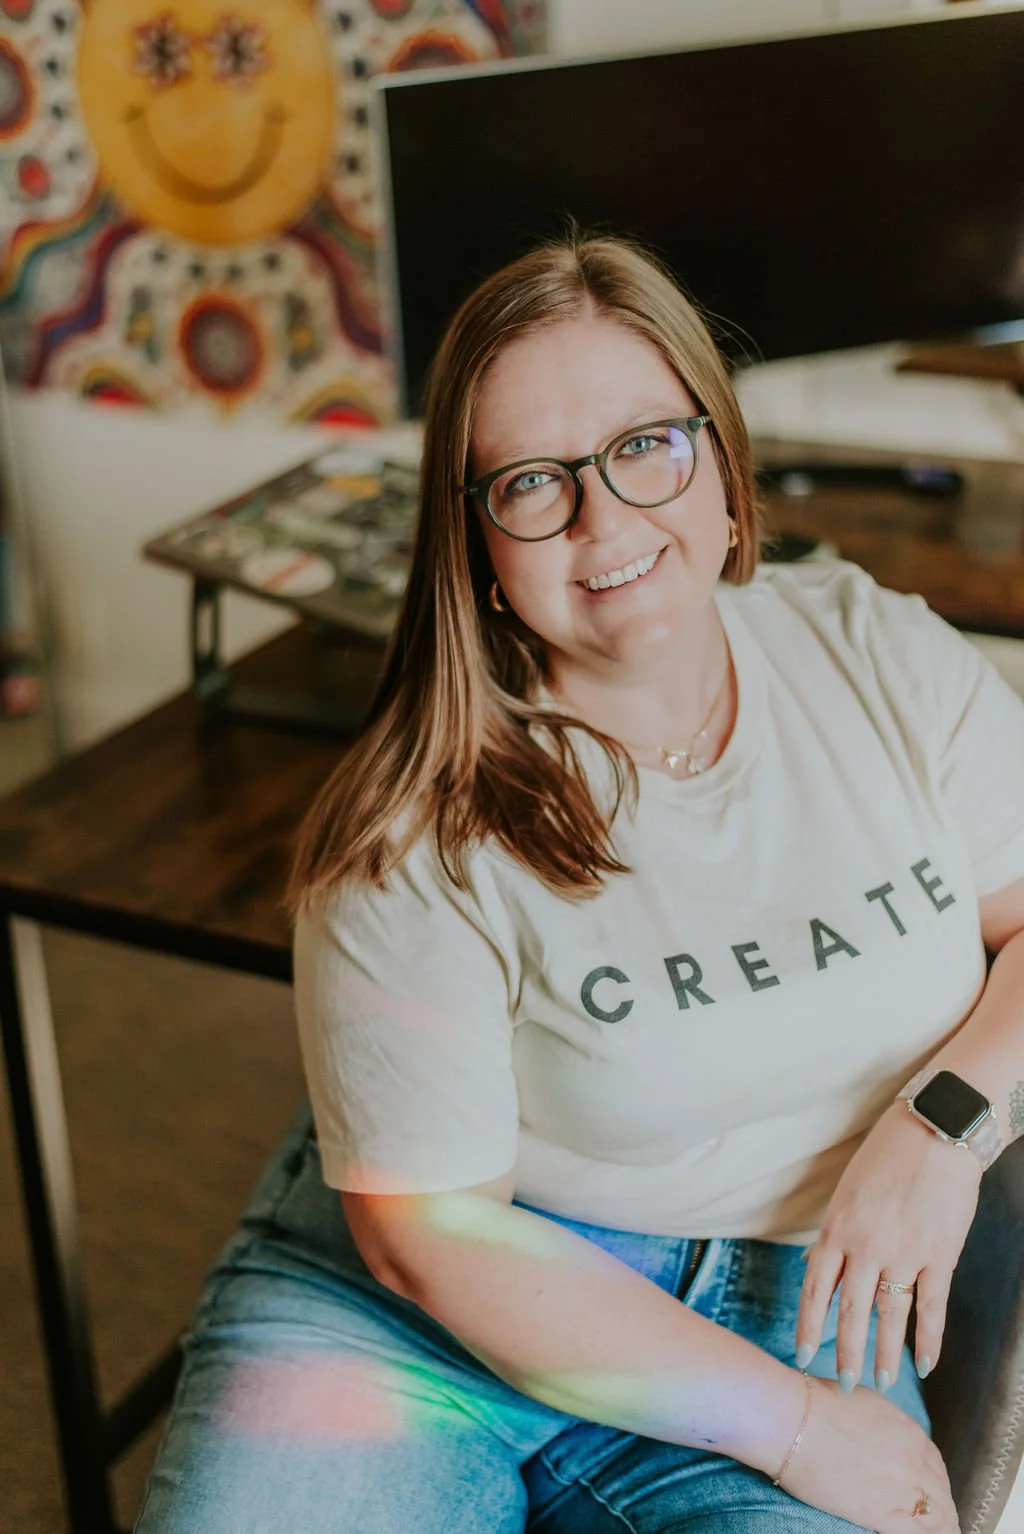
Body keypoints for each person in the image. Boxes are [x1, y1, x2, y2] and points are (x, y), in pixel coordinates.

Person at [135, 236, 1024, 1534]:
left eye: (646, 445)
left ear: (720, 458)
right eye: (535, 483)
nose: (607, 518)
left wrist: (939, 1128)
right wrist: (798, 1424)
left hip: (799, 1296)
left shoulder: (873, 651)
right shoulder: (406, 817)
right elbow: (425, 1235)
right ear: (476, 530)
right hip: (416, 1313)